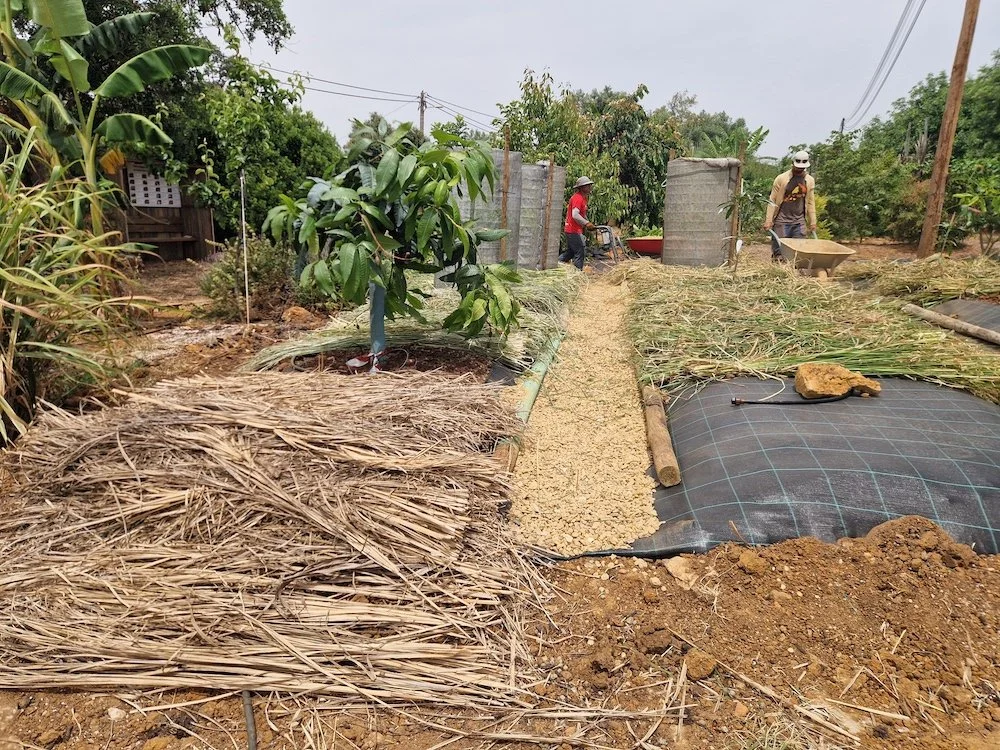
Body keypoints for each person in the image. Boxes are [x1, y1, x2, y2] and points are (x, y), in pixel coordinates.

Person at [764, 150, 817, 262]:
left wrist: (813, 221)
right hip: (782, 220)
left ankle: (795, 276)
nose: (799, 170)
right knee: (780, 252)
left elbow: (811, 202)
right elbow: (772, 200)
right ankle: (779, 274)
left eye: (802, 168)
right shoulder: (782, 179)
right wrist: (769, 220)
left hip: (799, 221)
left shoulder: (809, 180)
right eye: (797, 167)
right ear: (792, 164)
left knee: (798, 252)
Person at [560, 176, 596, 270]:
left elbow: (582, 215)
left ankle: (556, 264)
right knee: (580, 251)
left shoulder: (583, 199)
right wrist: (586, 223)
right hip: (573, 229)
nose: (589, 187)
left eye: (589, 185)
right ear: (581, 187)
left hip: (574, 229)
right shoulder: (577, 198)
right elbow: (575, 215)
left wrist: (588, 223)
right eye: (587, 186)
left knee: (571, 252)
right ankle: (577, 273)